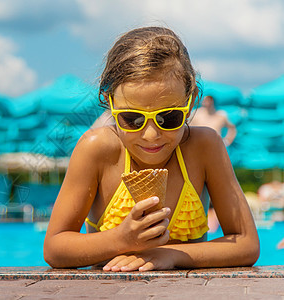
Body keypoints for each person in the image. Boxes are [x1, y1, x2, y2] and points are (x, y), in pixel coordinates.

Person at [43, 26, 259, 272]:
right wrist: (120, 240)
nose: (151, 135)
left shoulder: (204, 148)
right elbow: (54, 248)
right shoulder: (98, 150)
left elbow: (246, 243)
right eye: (132, 119)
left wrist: (171, 255)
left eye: (168, 118)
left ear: (190, 101)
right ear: (110, 103)